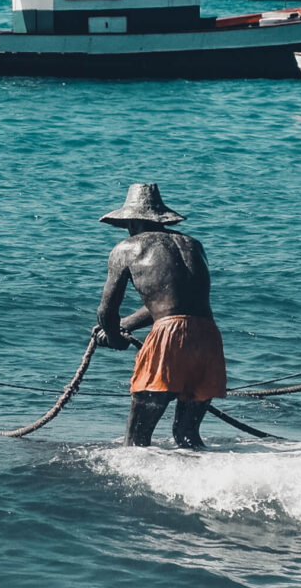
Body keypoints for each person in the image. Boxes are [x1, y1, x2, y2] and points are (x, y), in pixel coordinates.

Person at [94, 183, 226, 447]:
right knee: (187, 435)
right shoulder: (193, 245)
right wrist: (126, 325)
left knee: (137, 439)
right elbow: (174, 304)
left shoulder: (126, 249)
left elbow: (106, 311)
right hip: (207, 336)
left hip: (169, 340)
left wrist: (113, 336)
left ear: (131, 220)